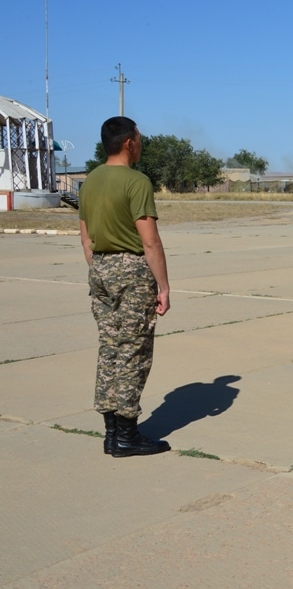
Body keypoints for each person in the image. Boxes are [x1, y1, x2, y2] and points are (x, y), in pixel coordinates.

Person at [78, 116, 171, 457]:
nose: (141, 143)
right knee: (133, 352)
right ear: (129, 142)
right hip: (132, 271)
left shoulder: (89, 182)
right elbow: (150, 242)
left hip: (100, 268)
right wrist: (163, 286)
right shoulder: (136, 181)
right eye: (139, 138)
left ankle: (110, 432)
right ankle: (127, 436)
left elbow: (86, 237)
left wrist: (100, 270)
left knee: (110, 348)